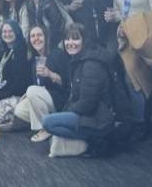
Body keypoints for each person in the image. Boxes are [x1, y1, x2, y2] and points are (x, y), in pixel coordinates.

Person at [39, 23, 119, 157]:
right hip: (87, 115)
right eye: (67, 39)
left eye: (75, 39)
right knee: (55, 125)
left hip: (98, 118)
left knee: (47, 123)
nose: (70, 43)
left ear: (84, 41)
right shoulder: (78, 60)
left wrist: (67, 113)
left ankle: (95, 139)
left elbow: (88, 103)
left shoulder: (91, 64)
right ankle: (86, 141)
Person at [15, 23, 74, 140]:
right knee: (19, 109)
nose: (36, 38)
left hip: (61, 99)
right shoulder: (35, 61)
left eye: (39, 35)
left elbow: (67, 83)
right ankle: (51, 120)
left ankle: (47, 128)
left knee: (31, 90)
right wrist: (28, 94)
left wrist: (50, 74)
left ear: (46, 37)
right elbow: (38, 85)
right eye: (33, 36)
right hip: (46, 100)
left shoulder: (58, 54)